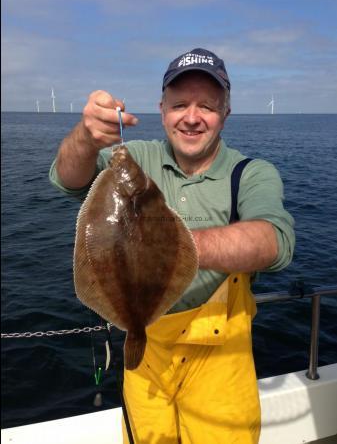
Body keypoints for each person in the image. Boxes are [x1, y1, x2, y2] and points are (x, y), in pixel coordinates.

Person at [49, 48, 295, 443]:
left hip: (222, 361)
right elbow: (69, 179)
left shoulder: (250, 173)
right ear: (162, 110)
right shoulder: (133, 157)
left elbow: (274, 241)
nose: (192, 117)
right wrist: (86, 137)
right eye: (180, 104)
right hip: (145, 358)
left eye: (207, 107)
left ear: (226, 113)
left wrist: (166, 247)